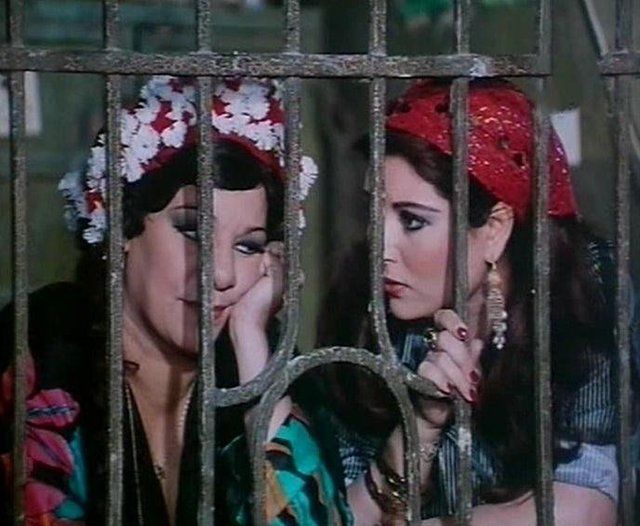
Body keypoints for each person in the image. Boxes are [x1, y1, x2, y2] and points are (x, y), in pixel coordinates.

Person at [0, 76, 351, 525]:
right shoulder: (43, 348)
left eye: (248, 246)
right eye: (192, 231)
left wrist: (252, 352)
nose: (222, 274)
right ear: (123, 229)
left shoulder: (261, 362)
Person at [317, 79, 622, 525]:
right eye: (373, 214)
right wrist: (420, 426)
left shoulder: (580, 293)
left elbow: (584, 509)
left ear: (495, 230)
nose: (380, 248)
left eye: (412, 221)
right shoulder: (361, 310)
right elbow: (344, 516)